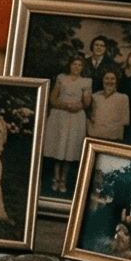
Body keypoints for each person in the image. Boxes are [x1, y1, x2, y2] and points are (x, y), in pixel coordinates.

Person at [43, 55, 90, 197]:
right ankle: (55, 177)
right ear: (70, 65)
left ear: (83, 68)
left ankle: (63, 179)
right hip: (60, 115)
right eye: (74, 64)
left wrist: (78, 106)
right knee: (59, 146)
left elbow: (86, 102)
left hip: (76, 117)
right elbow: (52, 99)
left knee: (70, 148)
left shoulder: (86, 81)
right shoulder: (61, 78)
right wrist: (66, 105)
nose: (76, 67)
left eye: (79, 65)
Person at [87, 67, 131, 145]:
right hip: (95, 138)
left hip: (113, 140)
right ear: (102, 80)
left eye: (112, 79)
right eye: (106, 78)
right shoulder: (95, 96)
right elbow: (91, 118)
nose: (109, 81)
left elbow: (125, 121)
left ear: (116, 81)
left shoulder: (123, 98)